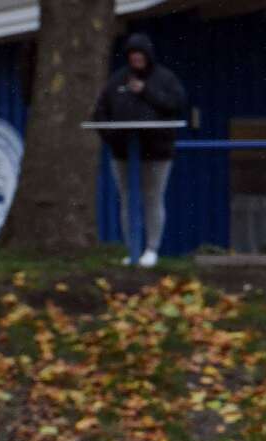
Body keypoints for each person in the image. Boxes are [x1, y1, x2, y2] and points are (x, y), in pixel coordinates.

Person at [91, 32, 187, 268]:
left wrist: (145, 91)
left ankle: (152, 249)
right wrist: (111, 137)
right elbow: (100, 111)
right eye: (132, 56)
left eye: (140, 55)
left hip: (157, 152)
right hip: (123, 152)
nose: (136, 60)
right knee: (127, 199)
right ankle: (132, 249)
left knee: (153, 198)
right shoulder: (117, 80)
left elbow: (176, 104)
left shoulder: (165, 78)